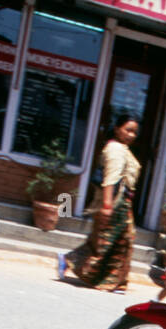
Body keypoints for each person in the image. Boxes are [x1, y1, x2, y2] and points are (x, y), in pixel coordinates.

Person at [58, 114, 140, 293]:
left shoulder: (123, 149)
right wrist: (107, 206)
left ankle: (112, 280)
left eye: (135, 132)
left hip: (123, 202)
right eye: (128, 130)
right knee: (109, 242)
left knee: (117, 240)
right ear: (117, 128)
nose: (132, 135)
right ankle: (105, 278)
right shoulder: (115, 149)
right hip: (115, 201)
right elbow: (111, 178)